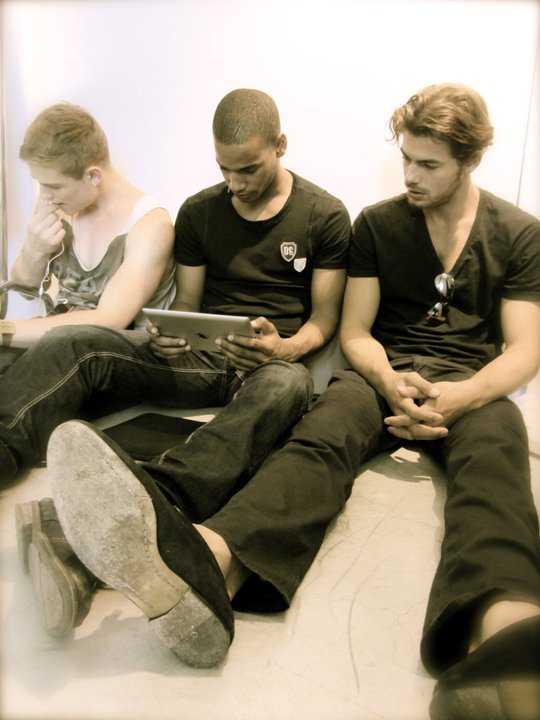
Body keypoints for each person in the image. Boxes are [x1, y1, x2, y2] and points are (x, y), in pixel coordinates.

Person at [46, 83, 539, 718]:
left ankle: (504, 633)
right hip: (380, 371)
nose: (410, 176)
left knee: (496, 463)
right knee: (317, 443)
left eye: (428, 164)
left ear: (470, 161)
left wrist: (463, 395)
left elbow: (524, 349)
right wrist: (388, 379)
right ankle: (214, 560)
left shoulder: (518, 234)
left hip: (472, 381)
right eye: (405, 158)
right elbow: (356, 332)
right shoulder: (378, 224)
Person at [5, 89, 350, 639]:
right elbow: (186, 306)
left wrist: (282, 348)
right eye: (224, 169)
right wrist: (167, 337)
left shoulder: (324, 215)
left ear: (281, 146)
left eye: (249, 170)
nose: (235, 183)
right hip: (202, 357)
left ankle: (138, 512)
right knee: (80, 340)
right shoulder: (199, 211)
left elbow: (325, 321)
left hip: (270, 362)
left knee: (289, 387)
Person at [0, 102, 176, 371]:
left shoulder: (150, 225)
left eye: (53, 186)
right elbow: (24, 288)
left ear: (93, 176)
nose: (45, 195)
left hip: (110, 360)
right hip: (57, 345)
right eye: (40, 184)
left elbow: (110, 320)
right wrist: (34, 248)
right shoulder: (59, 203)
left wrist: (6, 330)